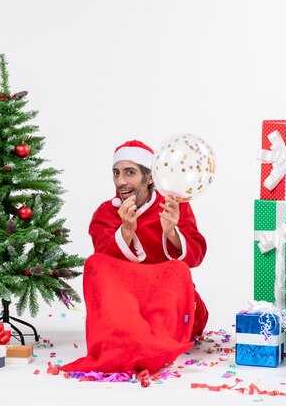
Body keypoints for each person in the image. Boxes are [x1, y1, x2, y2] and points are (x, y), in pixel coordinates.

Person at [60, 140, 208, 374]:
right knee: (94, 262)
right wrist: (125, 232)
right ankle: (127, 337)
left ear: (149, 178)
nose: (121, 182)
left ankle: (154, 341)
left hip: (165, 299)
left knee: (179, 270)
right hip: (125, 302)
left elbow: (196, 256)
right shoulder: (105, 214)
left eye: (130, 173)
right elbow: (103, 271)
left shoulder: (173, 206)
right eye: (116, 173)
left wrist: (172, 232)